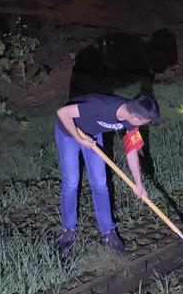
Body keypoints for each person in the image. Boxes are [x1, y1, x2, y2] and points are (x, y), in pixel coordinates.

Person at [55, 93, 160, 254]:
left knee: (100, 183)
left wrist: (138, 182)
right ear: (135, 117)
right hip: (69, 131)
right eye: (145, 123)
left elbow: (131, 151)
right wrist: (78, 138)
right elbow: (62, 112)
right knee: (71, 182)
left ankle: (108, 232)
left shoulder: (132, 117)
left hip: (93, 133)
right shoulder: (101, 107)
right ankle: (68, 230)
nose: (144, 125)